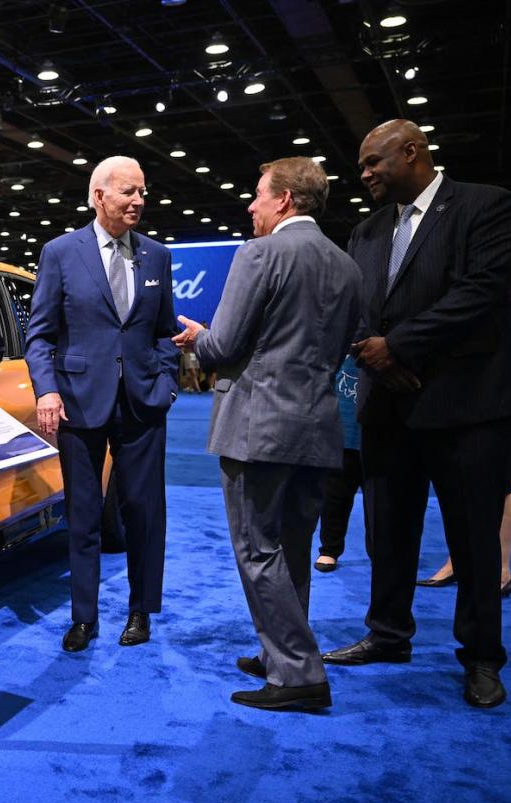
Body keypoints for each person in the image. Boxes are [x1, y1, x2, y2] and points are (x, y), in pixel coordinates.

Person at [322, 119, 511, 710]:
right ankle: (388, 634)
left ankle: (481, 656)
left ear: (413, 151)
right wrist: (375, 356)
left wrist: (399, 346)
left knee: (474, 540)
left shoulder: (486, 207)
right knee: (388, 532)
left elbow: (484, 292)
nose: (366, 174)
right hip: (388, 406)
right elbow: (356, 308)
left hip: (467, 406)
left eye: (373, 162)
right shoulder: (368, 230)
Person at [175, 157, 361, 710]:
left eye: (258, 195)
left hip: (257, 428)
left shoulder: (259, 252)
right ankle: (280, 652)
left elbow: (226, 346)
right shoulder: (347, 265)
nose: (251, 205)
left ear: (284, 200)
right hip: (317, 426)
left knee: (257, 549)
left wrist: (199, 338)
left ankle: (299, 674)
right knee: (293, 547)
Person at [25, 155, 178, 652]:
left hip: (142, 402)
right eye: (128, 192)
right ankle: (84, 617)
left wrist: (168, 384)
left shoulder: (157, 256)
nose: (139, 201)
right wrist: (46, 389)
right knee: (84, 515)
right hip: (78, 404)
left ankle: (140, 612)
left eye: (142, 191)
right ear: (99, 197)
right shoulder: (60, 252)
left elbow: (164, 331)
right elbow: (39, 334)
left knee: (144, 513)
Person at [313, 355, 365, 572]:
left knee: (381, 499)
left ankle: (382, 551)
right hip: (340, 428)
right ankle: (329, 549)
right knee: (334, 494)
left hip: (381, 428)